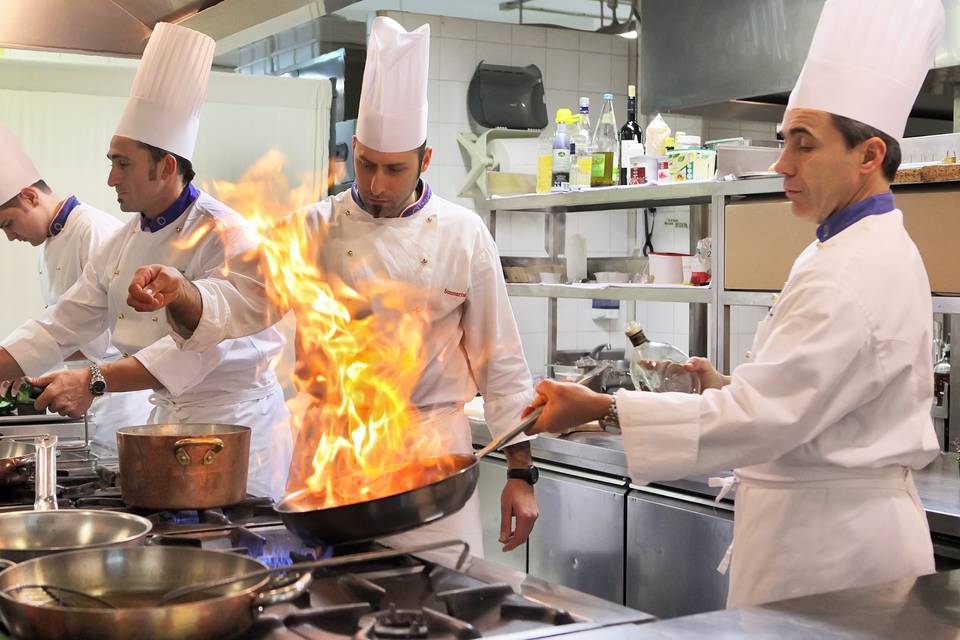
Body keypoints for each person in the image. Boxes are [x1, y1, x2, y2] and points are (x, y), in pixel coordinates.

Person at [522, 0, 943, 608]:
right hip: (819, 538)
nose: (781, 164)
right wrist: (726, 384)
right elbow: (804, 400)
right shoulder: (845, 247)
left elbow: (761, 418)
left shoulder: (854, 269)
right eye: (783, 142)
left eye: (803, 145)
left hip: (835, 559)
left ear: (869, 155)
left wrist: (604, 407)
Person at [127, 17, 538, 559]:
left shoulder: (464, 235)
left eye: (394, 169)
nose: (376, 185)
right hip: (333, 462)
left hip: (428, 462)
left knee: (441, 602)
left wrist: (522, 473)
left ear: (424, 160)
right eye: (366, 164)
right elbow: (239, 301)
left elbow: (502, 362)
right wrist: (182, 291)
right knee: (326, 609)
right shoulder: (310, 228)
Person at [0, 23, 292, 498]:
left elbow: (194, 350)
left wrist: (93, 380)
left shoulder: (227, 234)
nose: (110, 178)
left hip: (236, 432)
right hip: (163, 426)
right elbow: (61, 324)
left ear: (167, 166)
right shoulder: (123, 242)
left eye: (123, 163)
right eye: (111, 162)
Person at [0, 126, 152, 449]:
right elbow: (61, 325)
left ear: (30, 196)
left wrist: (26, 359)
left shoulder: (94, 231)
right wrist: (21, 357)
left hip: (119, 406)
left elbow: (106, 335)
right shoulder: (47, 247)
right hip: (85, 404)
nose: (10, 237)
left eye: (8, 224)